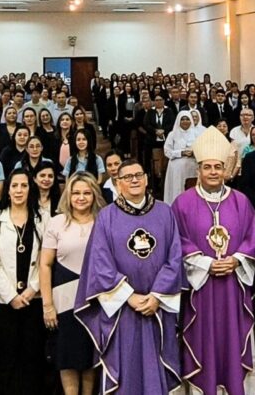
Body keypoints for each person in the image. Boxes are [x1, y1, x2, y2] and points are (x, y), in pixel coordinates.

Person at [75, 159, 185, 394]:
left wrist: (156, 296)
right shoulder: (106, 217)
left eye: (138, 175)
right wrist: (129, 296)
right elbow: (100, 264)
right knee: (126, 372)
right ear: (117, 183)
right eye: (127, 177)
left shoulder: (165, 212)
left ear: (146, 179)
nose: (134, 180)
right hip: (123, 311)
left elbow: (175, 258)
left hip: (157, 308)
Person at [172, 127, 255, 395]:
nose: (213, 172)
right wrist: (206, 264)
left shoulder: (241, 202)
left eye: (218, 167)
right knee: (204, 340)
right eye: (207, 167)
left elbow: (252, 236)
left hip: (233, 287)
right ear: (198, 170)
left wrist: (235, 260)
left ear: (226, 170)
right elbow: (179, 240)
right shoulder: (183, 203)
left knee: (232, 339)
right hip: (201, 290)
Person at [0, 170, 47, 393]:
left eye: (24, 186)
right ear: (7, 190)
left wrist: (31, 289)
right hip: (1, 302)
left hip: (33, 300)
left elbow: (46, 259)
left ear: (31, 189)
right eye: (14, 186)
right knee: (5, 359)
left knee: (32, 359)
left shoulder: (43, 218)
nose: (19, 190)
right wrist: (11, 296)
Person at [40, 173, 105, 395]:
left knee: (89, 355)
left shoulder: (104, 220)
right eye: (76, 193)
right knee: (67, 355)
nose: (81, 197)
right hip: (64, 299)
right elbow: (45, 265)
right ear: (68, 195)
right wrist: (47, 305)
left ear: (94, 195)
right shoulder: (57, 222)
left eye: (86, 193)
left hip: (95, 298)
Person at [163, 110, 200, 204]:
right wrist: (182, 152)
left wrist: (193, 153)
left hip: (192, 166)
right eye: (182, 119)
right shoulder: (172, 134)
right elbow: (167, 151)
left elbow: (201, 150)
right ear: (178, 121)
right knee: (178, 189)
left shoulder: (196, 134)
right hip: (177, 168)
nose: (185, 121)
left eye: (187, 119)